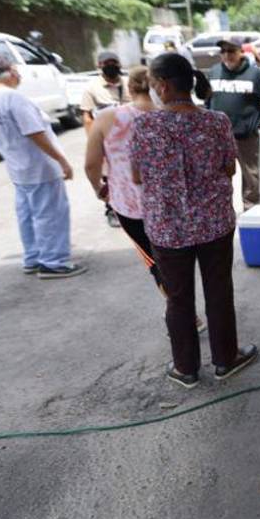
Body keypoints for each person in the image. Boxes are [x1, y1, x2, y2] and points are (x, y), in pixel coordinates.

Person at [131, 53, 258, 388]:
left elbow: (137, 176)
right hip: (214, 223)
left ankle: (185, 368)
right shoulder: (216, 121)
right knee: (219, 292)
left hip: (167, 228)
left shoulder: (144, 125)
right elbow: (230, 168)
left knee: (178, 297)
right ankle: (226, 359)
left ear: (162, 85)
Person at [85, 66, 205, 332]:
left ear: (130, 88)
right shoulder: (174, 115)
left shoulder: (106, 118)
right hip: (174, 203)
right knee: (179, 258)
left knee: (156, 263)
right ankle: (186, 310)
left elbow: (92, 164)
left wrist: (100, 190)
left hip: (131, 208)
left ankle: (184, 315)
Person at [0, 55, 86, 279]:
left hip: (17, 168)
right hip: (39, 166)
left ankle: (33, 258)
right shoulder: (14, 99)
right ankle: (53, 263)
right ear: (11, 72)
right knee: (50, 215)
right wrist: (61, 160)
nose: (20, 74)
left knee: (28, 214)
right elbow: (34, 133)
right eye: (17, 70)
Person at [206, 36, 260, 211]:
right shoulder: (214, 72)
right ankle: (222, 214)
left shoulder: (254, 74)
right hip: (218, 138)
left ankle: (252, 214)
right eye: (223, 51)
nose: (226, 55)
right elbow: (208, 102)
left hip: (246, 137)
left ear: (241, 52)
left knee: (251, 179)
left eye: (231, 51)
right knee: (218, 178)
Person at [81, 51, 129, 228]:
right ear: (99, 66)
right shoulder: (92, 88)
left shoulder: (128, 83)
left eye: (114, 62)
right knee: (109, 175)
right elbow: (87, 118)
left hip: (129, 138)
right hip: (106, 139)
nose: (111, 65)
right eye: (107, 62)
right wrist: (94, 143)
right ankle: (111, 209)